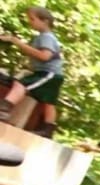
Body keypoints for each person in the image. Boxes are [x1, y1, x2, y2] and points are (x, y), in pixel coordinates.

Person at [0, 6, 64, 138]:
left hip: (48, 73)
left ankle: (3, 109)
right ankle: (48, 129)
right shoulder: (44, 37)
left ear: (45, 21)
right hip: (52, 74)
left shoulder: (46, 37)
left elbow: (45, 56)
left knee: (20, 85)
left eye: (32, 19)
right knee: (48, 102)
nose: (30, 22)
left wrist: (17, 42)